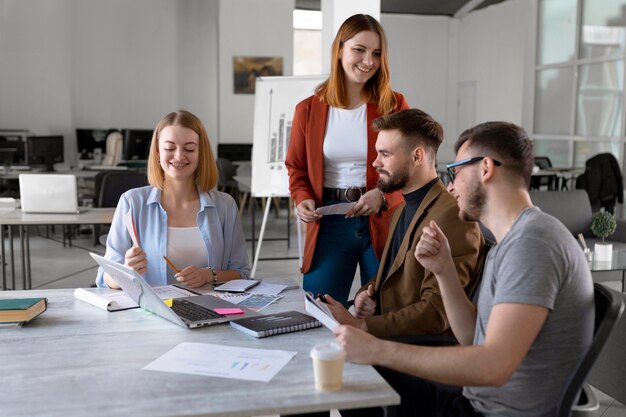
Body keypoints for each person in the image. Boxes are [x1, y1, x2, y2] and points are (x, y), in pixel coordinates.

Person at [333, 121, 594, 417]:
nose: (452, 186)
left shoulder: (533, 243)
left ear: (485, 169)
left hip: (491, 411)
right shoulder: (510, 242)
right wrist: (444, 272)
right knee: (351, 380)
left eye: (456, 172)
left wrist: (375, 348)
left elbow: (492, 366)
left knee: (357, 381)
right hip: (474, 399)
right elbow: (473, 337)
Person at [322, 108, 485, 340]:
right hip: (391, 338)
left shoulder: (453, 216)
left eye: (385, 155)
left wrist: (363, 326)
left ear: (417, 157)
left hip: (420, 351)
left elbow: (437, 313)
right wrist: (364, 295)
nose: (375, 163)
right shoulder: (399, 209)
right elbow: (389, 275)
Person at [285, 14, 410, 304]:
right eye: (359, 50)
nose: (369, 61)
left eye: (377, 53)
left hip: (383, 218)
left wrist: (382, 194)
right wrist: (302, 196)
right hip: (329, 220)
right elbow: (297, 166)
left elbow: (410, 164)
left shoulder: (394, 104)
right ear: (339, 50)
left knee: (387, 310)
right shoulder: (308, 110)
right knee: (320, 309)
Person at [96, 110, 250, 288]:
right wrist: (126, 271)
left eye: (189, 148)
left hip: (212, 312)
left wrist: (209, 275)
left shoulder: (225, 205)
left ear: (201, 154)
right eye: (169, 148)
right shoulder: (132, 202)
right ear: (157, 153)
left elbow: (242, 274)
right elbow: (104, 279)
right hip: (152, 313)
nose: (179, 156)